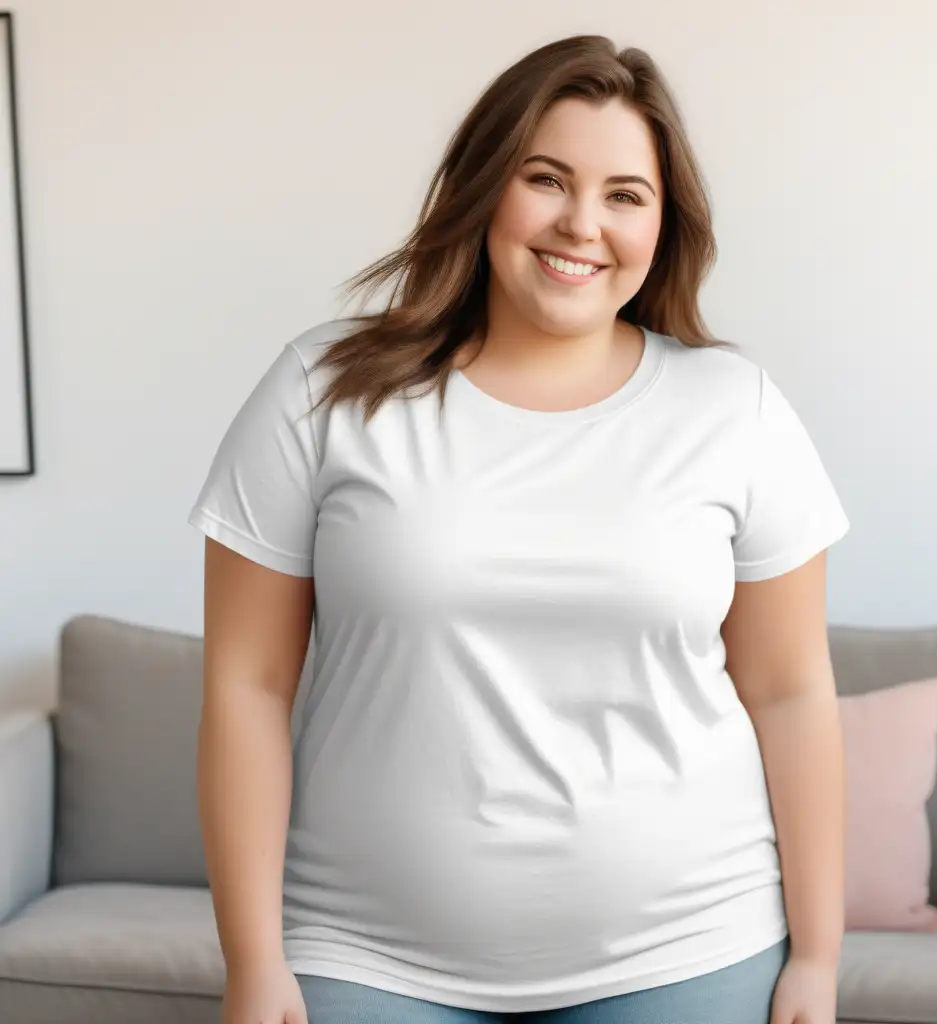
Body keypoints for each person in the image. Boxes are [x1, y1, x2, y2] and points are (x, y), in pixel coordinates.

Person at [190, 33, 849, 1024]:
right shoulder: (322, 391)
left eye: (625, 193)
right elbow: (246, 685)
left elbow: (791, 692)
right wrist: (252, 962)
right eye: (546, 179)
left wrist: (819, 955)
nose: (583, 223)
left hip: (690, 950)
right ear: (484, 186)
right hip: (365, 956)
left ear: (662, 223)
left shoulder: (734, 409)